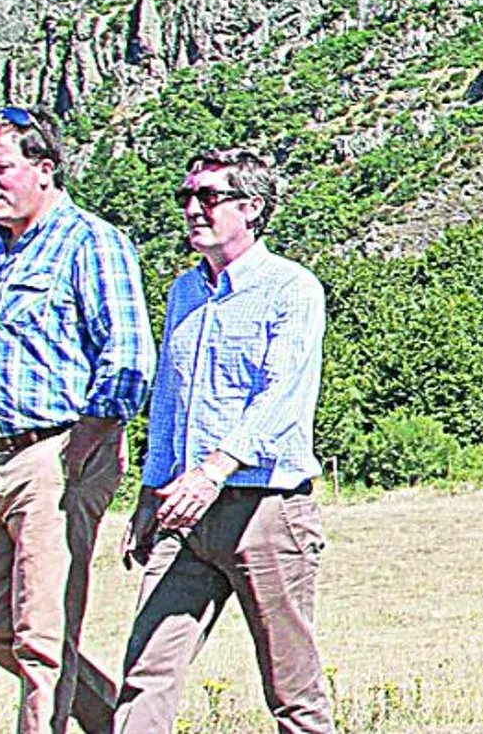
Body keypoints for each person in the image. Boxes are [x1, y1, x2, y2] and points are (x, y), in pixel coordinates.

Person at [116, 149, 335, 733]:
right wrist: (148, 492)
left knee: (293, 692)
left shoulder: (291, 288)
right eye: (186, 197)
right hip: (183, 511)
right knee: (145, 675)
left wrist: (214, 468)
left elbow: (281, 397)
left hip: (264, 507)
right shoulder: (184, 293)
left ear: (251, 208)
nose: (192, 209)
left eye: (207, 197)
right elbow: (169, 400)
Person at [0, 106, 154, 734]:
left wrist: (88, 440)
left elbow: (127, 353)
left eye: (0, 168)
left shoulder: (89, 241)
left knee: (43, 634)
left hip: (57, 452)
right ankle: (115, 720)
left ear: (44, 169)